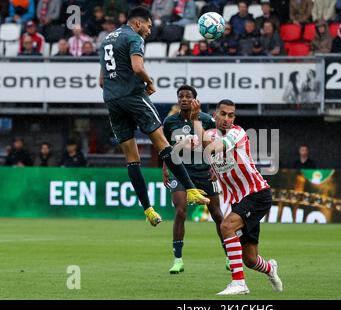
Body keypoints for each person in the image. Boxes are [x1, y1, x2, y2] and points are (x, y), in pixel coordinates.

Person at [99, 6, 210, 227]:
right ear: (138, 23)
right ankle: (191, 190)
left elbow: (102, 80)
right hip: (133, 96)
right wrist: (149, 82)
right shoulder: (133, 37)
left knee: (132, 158)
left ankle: (148, 209)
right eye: (149, 26)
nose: (149, 31)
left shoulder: (106, 41)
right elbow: (137, 67)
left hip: (112, 100)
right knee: (162, 143)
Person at [185, 98, 283, 295]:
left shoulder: (238, 133)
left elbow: (212, 149)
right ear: (215, 115)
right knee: (250, 259)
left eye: (230, 115)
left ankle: (239, 284)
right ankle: (271, 268)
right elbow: (187, 147)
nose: (226, 119)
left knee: (226, 226)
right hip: (240, 200)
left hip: (257, 194)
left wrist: (195, 120)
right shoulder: (210, 133)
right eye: (223, 114)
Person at [162, 85, 229, 274]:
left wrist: (216, 166)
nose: (184, 99)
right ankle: (178, 260)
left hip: (203, 172)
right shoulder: (169, 122)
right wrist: (166, 167)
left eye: (188, 96)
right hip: (180, 171)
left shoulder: (206, 120)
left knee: (216, 213)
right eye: (181, 96)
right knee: (180, 212)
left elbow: (216, 145)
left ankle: (229, 256)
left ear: (195, 100)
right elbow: (165, 146)